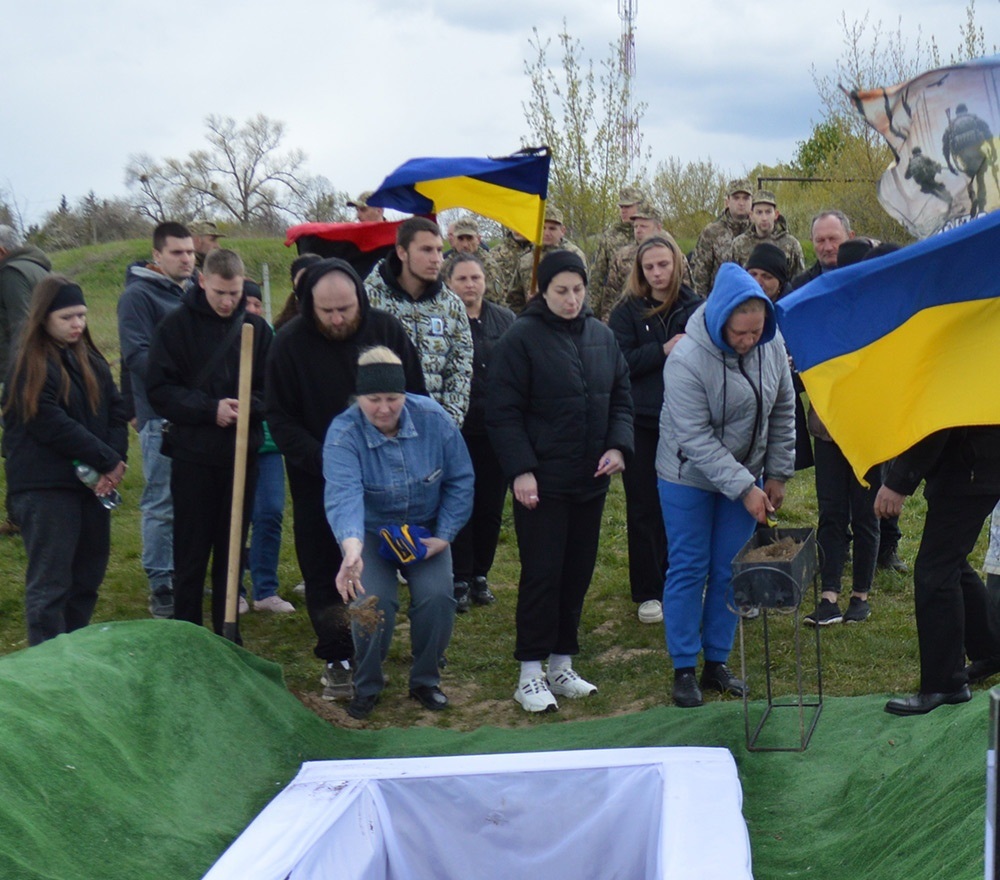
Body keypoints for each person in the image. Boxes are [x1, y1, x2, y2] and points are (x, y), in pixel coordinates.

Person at [266, 258, 426, 701]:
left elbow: (414, 396)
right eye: (327, 311)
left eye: (346, 308)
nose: (338, 318)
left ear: (360, 297)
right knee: (325, 568)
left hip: (387, 475)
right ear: (307, 304)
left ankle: (393, 646)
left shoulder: (387, 331)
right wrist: (329, 462)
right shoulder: (289, 345)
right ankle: (339, 656)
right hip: (318, 476)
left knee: (388, 559)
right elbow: (279, 417)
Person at [488, 251, 633, 712]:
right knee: (542, 574)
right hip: (542, 485)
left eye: (578, 290)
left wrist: (618, 446)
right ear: (542, 291)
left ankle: (561, 662)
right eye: (561, 291)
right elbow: (503, 411)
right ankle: (529, 671)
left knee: (577, 573)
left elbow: (621, 399)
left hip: (590, 481)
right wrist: (521, 469)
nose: (571, 300)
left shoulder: (602, 336)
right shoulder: (520, 339)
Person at [656, 263, 795, 708]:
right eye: (740, 333)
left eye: (756, 331)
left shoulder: (769, 345)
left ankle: (716, 662)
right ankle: (683, 667)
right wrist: (746, 488)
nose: (749, 341)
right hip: (687, 476)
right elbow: (695, 439)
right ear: (720, 321)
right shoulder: (685, 361)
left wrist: (776, 473)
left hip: (746, 474)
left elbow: (783, 407)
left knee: (728, 570)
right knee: (689, 567)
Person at [325, 347, 474, 720]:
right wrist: (352, 551)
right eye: (373, 399)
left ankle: (425, 679)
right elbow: (344, 496)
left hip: (425, 531)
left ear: (405, 395)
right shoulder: (342, 434)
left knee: (438, 597)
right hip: (371, 533)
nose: (384, 409)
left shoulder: (434, 420)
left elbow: (460, 479)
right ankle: (368, 682)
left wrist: (445, 535)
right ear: (359, 397)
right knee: (370, 602)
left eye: (393, 398)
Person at [146, 249, 271, 639]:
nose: (227, 301)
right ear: (202, 281)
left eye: (234, 293)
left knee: (233, 547)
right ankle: (187, 635)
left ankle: (227, 633)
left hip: (241, 457)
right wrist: (209, 409)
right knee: (192, 551)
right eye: (219, 292)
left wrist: (247, 408)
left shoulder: (257, 330)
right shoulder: (175, 326)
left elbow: (274, 392)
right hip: (194, 457)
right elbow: (159, 390)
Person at [1, 276, 127, 645]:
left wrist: (115, 462)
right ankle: (47, 666)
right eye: (67, 317)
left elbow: (117, 411)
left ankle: (73, 652)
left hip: (91, 486)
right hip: (45, 489)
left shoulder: (91, 359)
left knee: (87, 577)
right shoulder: (29, 363)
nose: (77, 325)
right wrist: (105, 458)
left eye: (82, 316)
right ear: (43, 318)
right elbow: (48, 421)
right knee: (51, 584)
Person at [610, 234, 701, 626]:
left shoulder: (694, 305)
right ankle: (648, 589)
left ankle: (686, 577)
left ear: (677, 263)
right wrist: (661, 351)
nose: (658, 273)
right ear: (640, 271)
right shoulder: (626, 311)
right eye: (650, 267)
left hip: (687, 420)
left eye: (664, 265)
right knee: (644, 503)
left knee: (687, 503)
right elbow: (619, 361)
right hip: (643, 419)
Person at [877, 426, 1000, 715]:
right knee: (950, 562)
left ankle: (945, 684)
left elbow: (937, 425)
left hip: (971, 469)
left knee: (935, 571)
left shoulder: (957, 380)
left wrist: (898, 482)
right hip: (975, 465)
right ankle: (991, 649)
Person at [118, 221, 195, 619]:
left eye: (190, 252)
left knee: (195, 499)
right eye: (177, 253)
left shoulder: (196, 293)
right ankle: (161, 583)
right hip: (161, 417)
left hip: (199, 414)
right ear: (158, 257)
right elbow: (136, 356)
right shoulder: (138, 296)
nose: (186, 259)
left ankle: (189, 573)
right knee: (162, 501)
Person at [803, 239, 882, 626]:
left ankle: (860, 595)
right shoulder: (822, 309)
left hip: (867, 429)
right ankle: (829, 594)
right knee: (831, 511)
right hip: (829, 429)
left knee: (866, 513)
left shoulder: (881, 313)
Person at [446, 254, 515, 611]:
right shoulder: (442, 319)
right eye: (462, 279)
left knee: (490, 505)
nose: (470, 285)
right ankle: (458, 575)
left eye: (475, 277)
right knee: (461, 504)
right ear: (449, 283)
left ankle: (481, 574)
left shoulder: (505, 320)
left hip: (496, 429)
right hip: (456, 430)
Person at [366, 216, 472, 427]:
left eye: (439, 250)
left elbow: (460, 371)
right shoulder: (368, 300)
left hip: (433, 428)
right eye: (426, 250)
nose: (436, 259)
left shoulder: (451, 305)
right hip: (380, 427)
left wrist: (447, 424)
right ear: (402, 252)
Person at [240, 281, 294, 614]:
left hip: (269, 442)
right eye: (247, 303)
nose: (253, 309)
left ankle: (265, 590)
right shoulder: (224, 336)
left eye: (258, 304)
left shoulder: (272, 339)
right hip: (232, 442)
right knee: (235, 516)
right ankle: (234, 589)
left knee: (270, 512)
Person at [0, 225, 51, 536]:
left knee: (17, 444)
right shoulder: (36, 267)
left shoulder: (10, 274)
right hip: (44, 367)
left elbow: (21, 325)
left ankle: (20, 517)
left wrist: (15, 380)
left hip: (21, 373)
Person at [507, 206, 588, 313]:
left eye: (552, 228)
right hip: (535, 319)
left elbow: (583, 292)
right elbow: (514, 298)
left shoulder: (574, 256)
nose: (546, 233)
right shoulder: (527, 258)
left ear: (562, 231)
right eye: (542, 228)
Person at [689, 179, 753, 295]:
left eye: (746, 198)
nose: (741, 203)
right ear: (727, 201)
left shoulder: (758, 232)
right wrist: (702, 307)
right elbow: (700, 276)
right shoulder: (711, 232)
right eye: (736, 198)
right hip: (719, 301)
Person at [590, 186, 644, 320]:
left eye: (628, 206)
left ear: (640, 206)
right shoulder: (609, 237)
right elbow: (597, 277)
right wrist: (590, 315)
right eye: (621, 207)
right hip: (617, 310)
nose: (623, 211)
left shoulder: (653, 233)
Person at [728, 191, 805, 281]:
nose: (764, 218)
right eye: (759, 212)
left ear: (776, 214)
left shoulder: (791, 244)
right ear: (751, 215)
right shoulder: (739, 244)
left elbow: (800, 281)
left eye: (768, 212)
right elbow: (732, 279)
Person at [787, 210, 854, 292]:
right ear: (812, 242)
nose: (828, 248)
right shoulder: (800, 286)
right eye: (820, 241)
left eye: (833, 239)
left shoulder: (867, 275)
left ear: (851, 237)